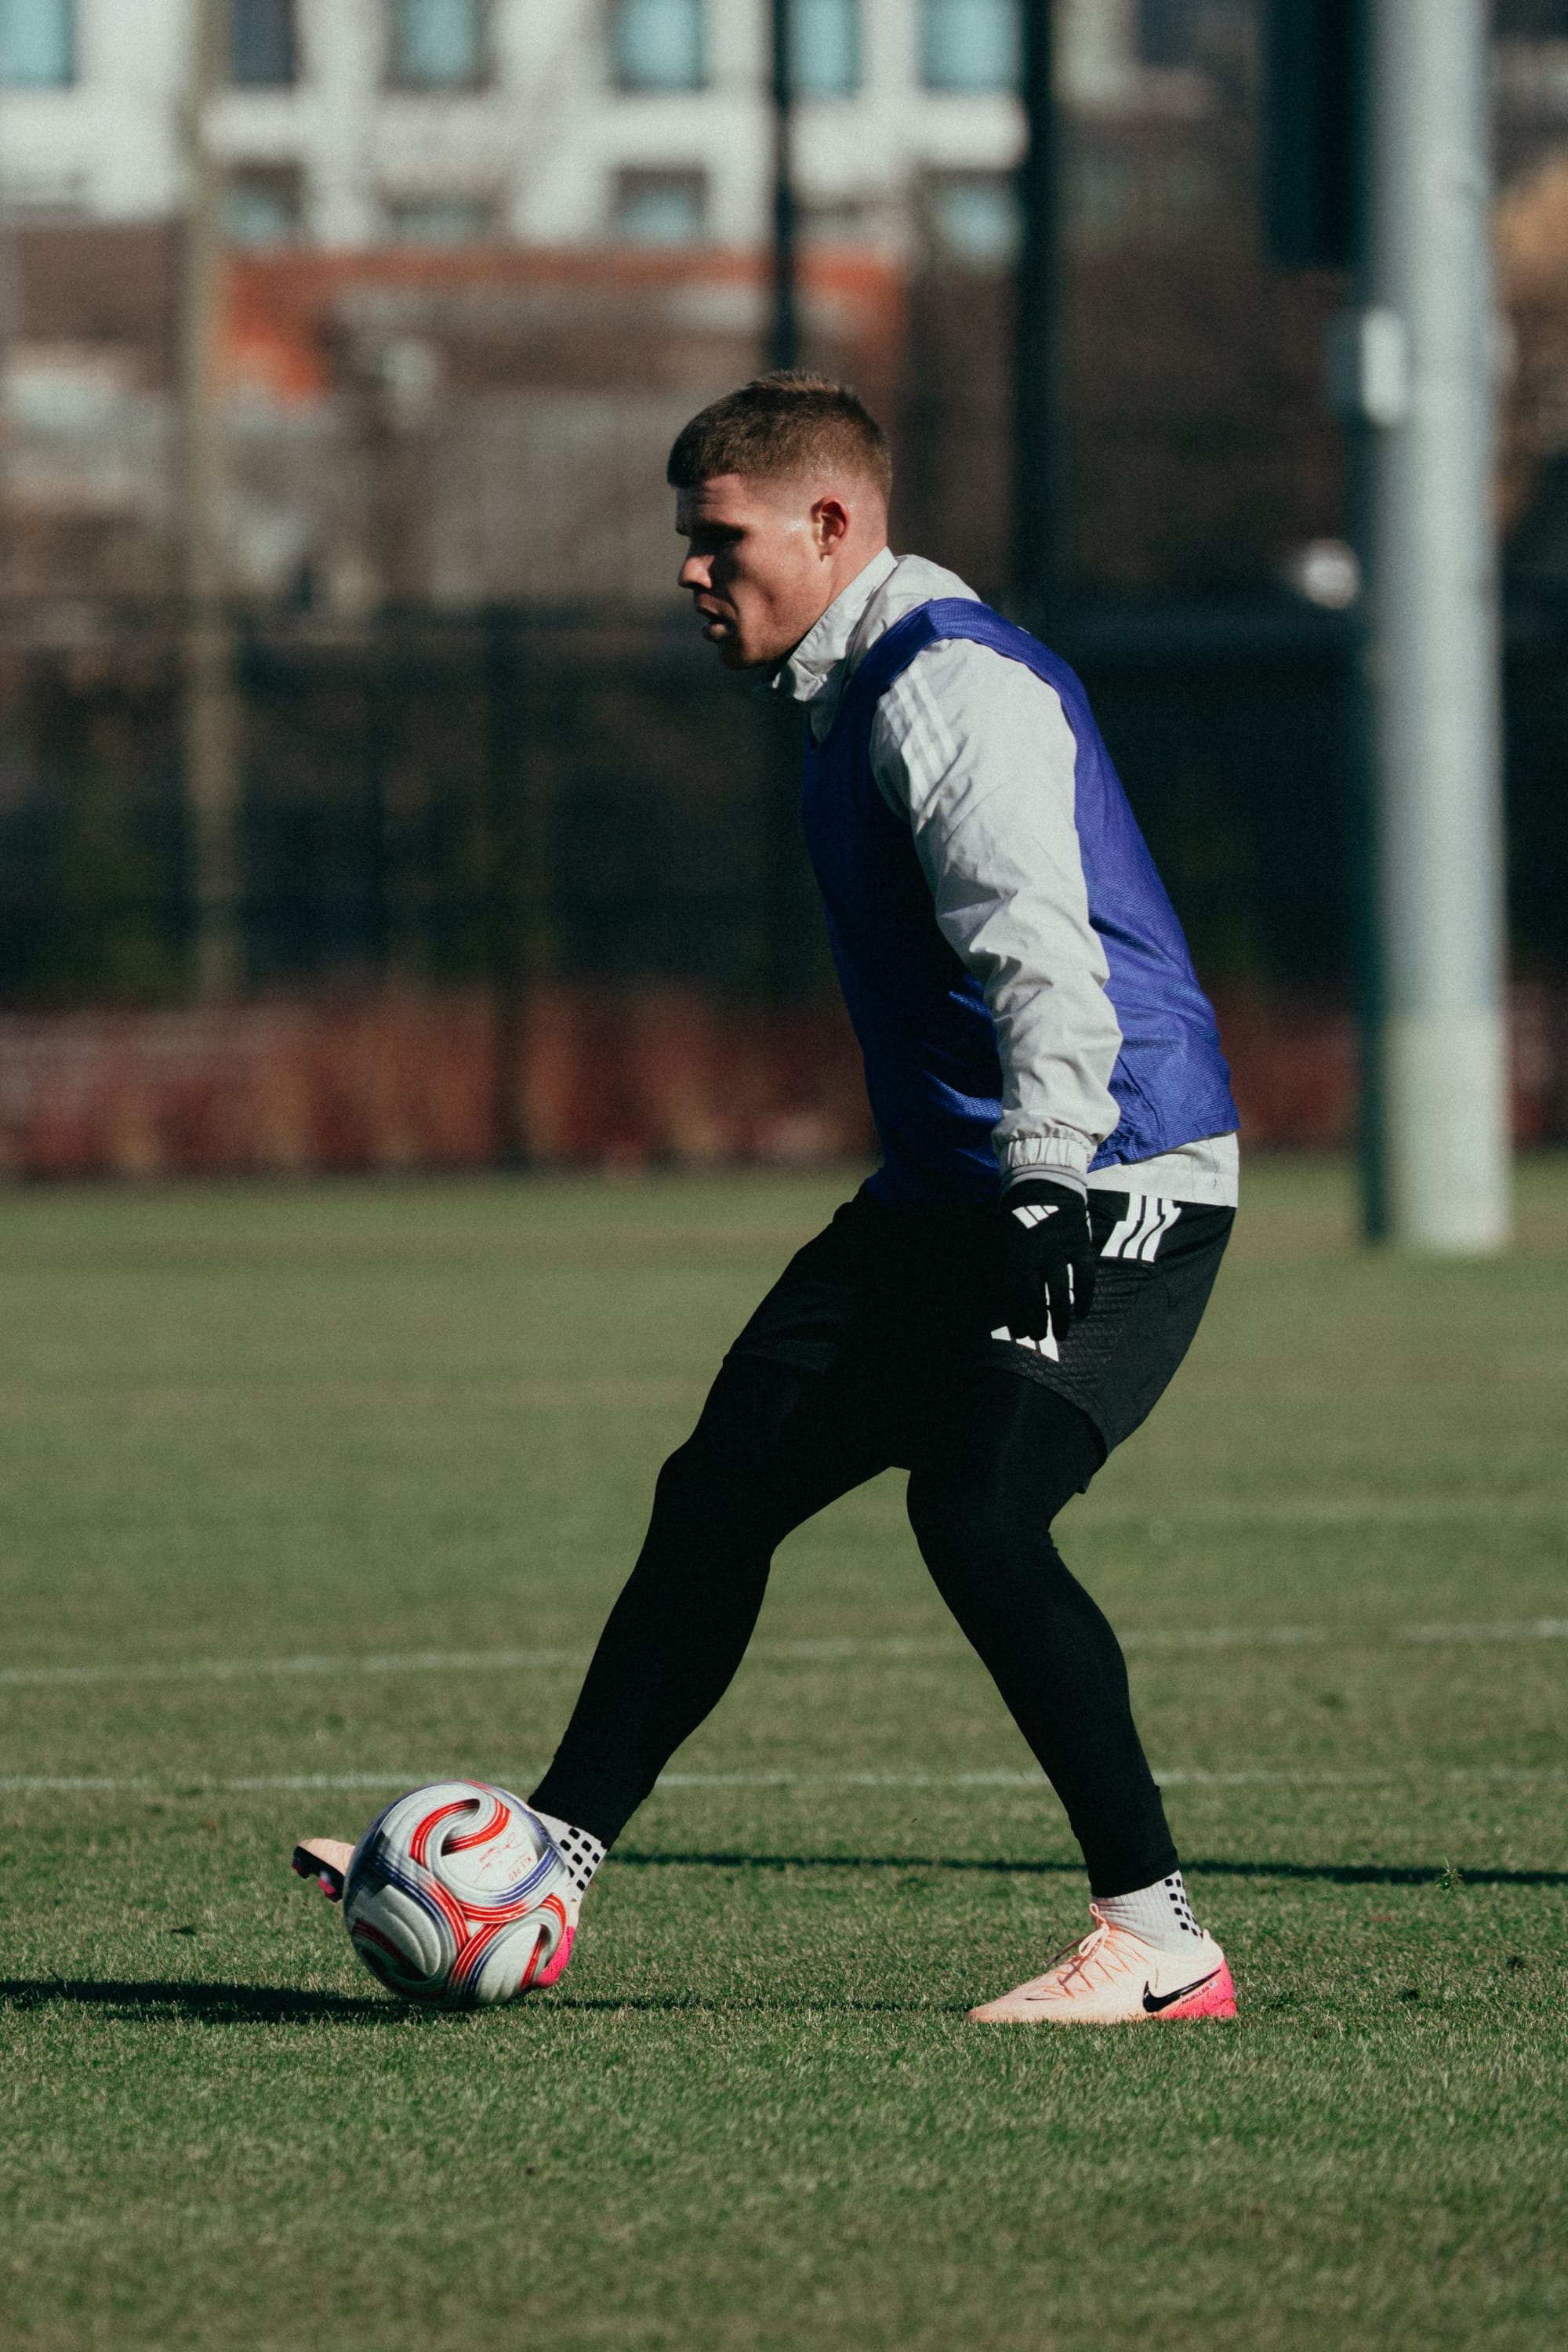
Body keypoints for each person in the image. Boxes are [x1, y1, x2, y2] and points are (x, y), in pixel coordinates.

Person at [296, 372, 1241, 2024]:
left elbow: (1040, 952)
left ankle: (1160, 1945)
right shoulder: (852, 687)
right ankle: (545, 1865)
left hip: (1108, 1168)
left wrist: (1042, 1190)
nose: (689, 568)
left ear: (830, 522)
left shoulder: (949, 687)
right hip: (954, 1189)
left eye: (717, 537)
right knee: (720, 1487)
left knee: (977, 1511)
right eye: (687, 538)